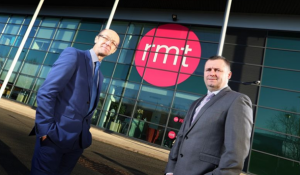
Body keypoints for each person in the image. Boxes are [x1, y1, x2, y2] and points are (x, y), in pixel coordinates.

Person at [29, 29, 120, 174]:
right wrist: (45, 130)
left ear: (114, 51)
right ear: (96, 38)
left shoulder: (100, 76)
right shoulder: (74, 55)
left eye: (114, 43)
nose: (108, 43)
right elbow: (47, 92)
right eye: (106, 38)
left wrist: (82, 140)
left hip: (77, 144)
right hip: (54, 137)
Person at [165, 56, 253, 175]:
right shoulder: (196, 103)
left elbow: (235, 155)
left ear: (229, 75)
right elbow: (181, 137)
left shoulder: (238, 101)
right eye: (208, 70)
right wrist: (170, 170)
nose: (212, 73)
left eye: (217, 70)